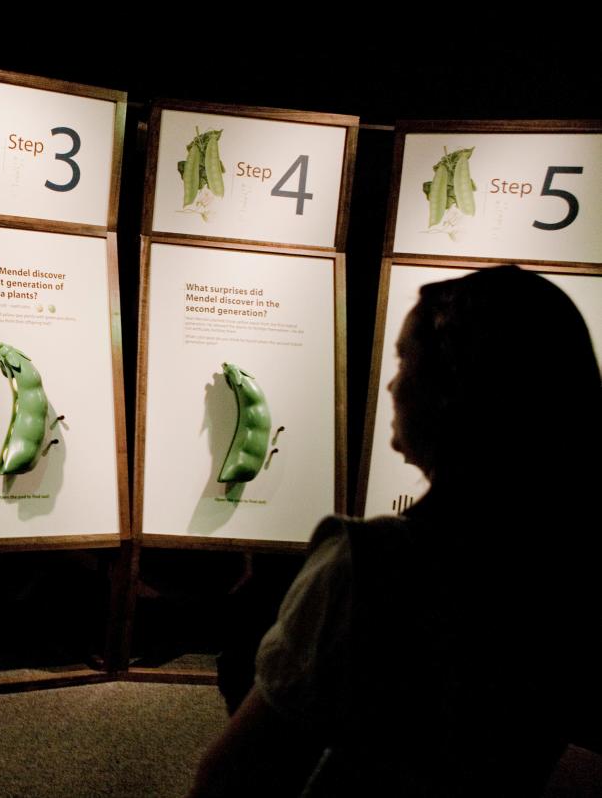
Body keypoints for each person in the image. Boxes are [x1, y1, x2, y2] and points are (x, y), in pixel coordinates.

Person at [190, 265, 602, 796]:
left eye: (406, 359)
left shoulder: (371, 565)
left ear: (451, 391)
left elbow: (233, 779)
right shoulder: (572, 561)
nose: (391, 382)